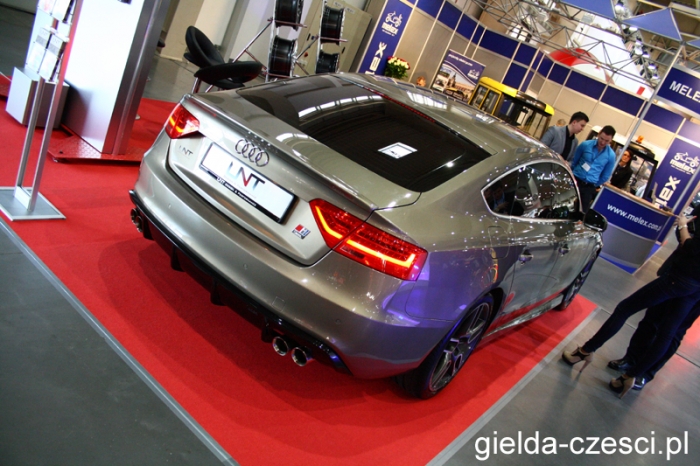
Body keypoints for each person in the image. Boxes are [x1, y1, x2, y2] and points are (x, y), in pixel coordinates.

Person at [562, 214, 700, 398]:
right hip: (693, 285)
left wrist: (683, 226)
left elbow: (691, 247)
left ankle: (585, 351)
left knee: (626, 310)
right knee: (666, 331)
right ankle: (630, 376)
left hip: (681, 277)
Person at [570, 125, 617, 212]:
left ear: (611, 140)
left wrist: (594, 184)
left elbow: (605, 176)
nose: (603, 142)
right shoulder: (585, 145)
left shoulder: (611, 155)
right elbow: (574, 161)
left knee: (581, 212)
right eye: (601, 138)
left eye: (607, 141)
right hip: (575, 180)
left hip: (589, 187)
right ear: (599, 134)